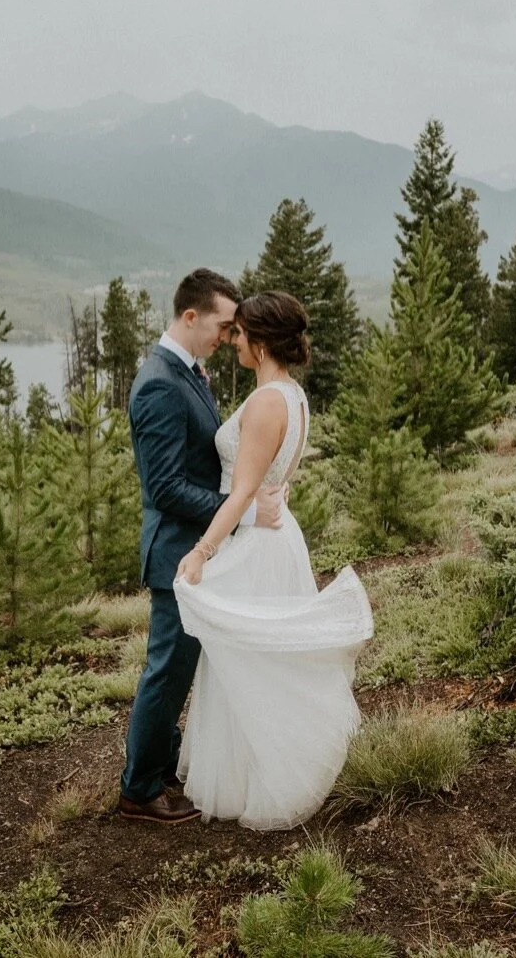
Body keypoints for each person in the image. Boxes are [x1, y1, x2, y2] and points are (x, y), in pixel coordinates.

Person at [173, 290, 373, 830]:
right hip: (278, 535)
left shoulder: (266, 402)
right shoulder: (293, 395)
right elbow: (274, 476)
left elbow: (242, 492)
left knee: (251, 660)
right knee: (260, 657)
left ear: (260, 343)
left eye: (239, 334)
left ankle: (266, 778)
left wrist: (201, 552)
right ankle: (251, 769)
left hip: (259, 544)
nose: (233, 341)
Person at [117, 269, 286, 824]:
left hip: (199, 547)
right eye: (223, 325)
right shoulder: (159, 383)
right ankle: (139, 789)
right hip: (176, 552)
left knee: (181, 669)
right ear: (191, 317)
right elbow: (164, 487)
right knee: (167, 671)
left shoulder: (187, 371)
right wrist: (242, 509)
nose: (229, 336)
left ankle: (163, 764)